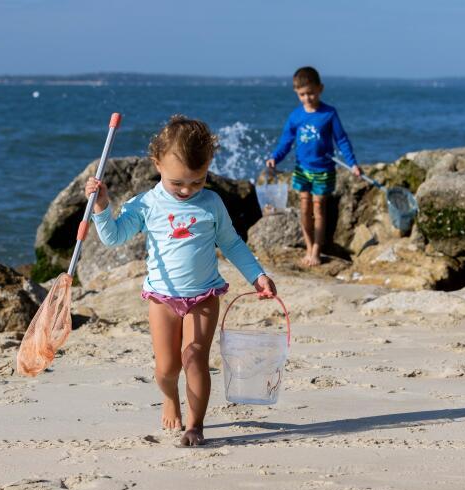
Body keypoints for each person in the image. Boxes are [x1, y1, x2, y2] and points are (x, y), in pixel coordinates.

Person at [85, 115, 277, 446]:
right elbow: (114, 237)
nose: (187, 190)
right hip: (162, 298)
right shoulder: (146, 203)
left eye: (197, 182)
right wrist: (102, 207)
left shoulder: (212, 203)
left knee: (194, 357)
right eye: (178, 183)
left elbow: (231, 243)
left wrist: (257, 275)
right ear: (157, 163)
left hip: (204, 296)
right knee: (166, 369)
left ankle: (195, 425)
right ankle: (170, 397)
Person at [266, 66, 362, 267]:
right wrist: (275, 157)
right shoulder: (295, 117)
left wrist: (352, 163)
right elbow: (286, 142)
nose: (307, 98)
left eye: (311, 93)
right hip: (302, 169)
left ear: (320, 89)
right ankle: (308, 247)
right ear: (296, 93)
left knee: (319, 209)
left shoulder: (329, 114)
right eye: (302, 94)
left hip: (323, 170)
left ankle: (317, 250)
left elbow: (342, 140)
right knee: (304, 208)